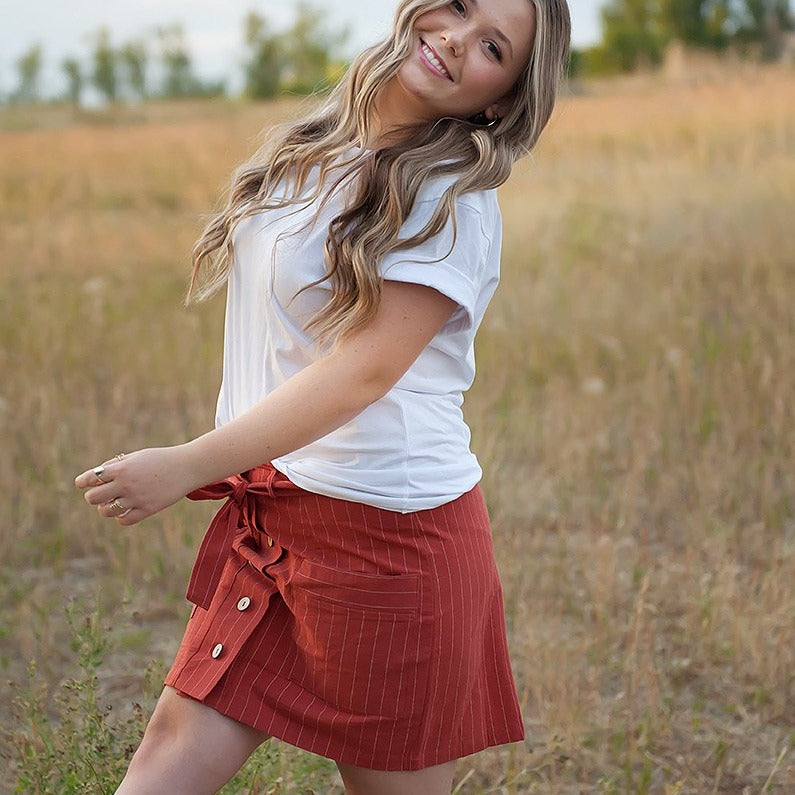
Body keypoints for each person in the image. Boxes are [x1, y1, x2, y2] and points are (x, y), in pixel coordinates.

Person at [75, 0, 571, 792]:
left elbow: (363, 371)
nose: (452, 36)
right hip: (275, 520)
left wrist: (185, 464)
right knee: (166, 756)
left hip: (387, 549)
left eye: (490, 46)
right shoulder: (323, 143)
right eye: (459, 7)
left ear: (500, 98)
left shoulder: (450, 198)